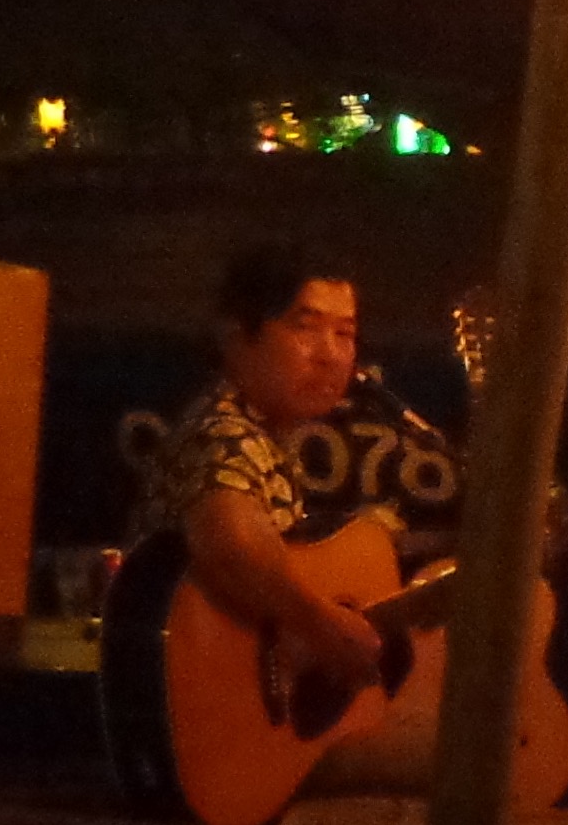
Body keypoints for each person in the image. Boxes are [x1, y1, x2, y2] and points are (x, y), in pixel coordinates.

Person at [124, 242, 422, 784]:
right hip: (216, 740)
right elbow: (231, 544)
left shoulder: (265, 438)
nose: (331, 354)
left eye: (346, 333)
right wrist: (321, 623)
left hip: (251, 744)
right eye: (305, 328)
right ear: (237, 335)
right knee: (486, 758)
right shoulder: (225, 435)